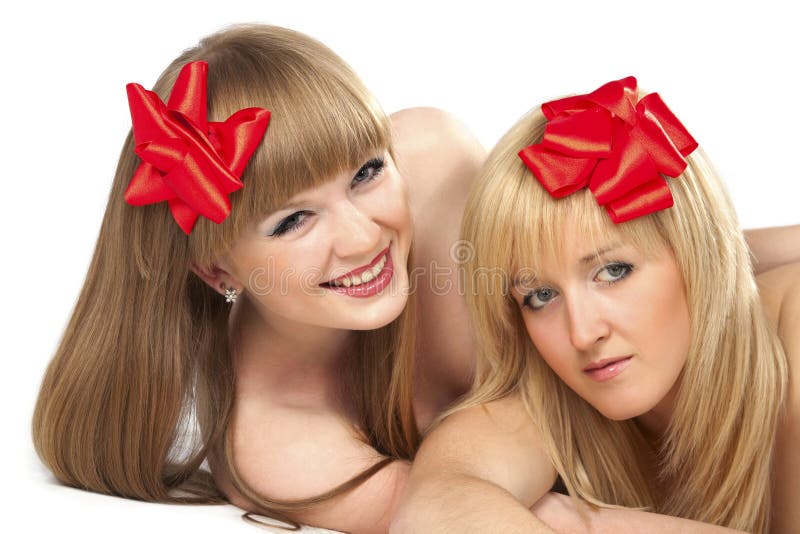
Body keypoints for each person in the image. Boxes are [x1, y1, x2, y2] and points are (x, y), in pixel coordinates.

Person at [31, 24, 483, 533]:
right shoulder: (278, 444)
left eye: (366, 173)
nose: (361, 238)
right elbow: (504, 516)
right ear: (217, 269)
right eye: (293, 221)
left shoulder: (432, 160)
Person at [391, 77, 799, 533]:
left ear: (699, 252)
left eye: (613, 272)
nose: (583, 334)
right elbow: (435, 506)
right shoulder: (551, 399)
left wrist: (569, 517)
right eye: (540, 296)